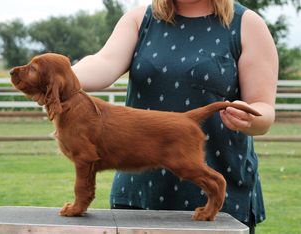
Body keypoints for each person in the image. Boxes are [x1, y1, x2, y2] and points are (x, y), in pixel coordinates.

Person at [72, 0, 278, 233]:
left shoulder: (248, 24)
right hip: (139, 196)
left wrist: (251, 119)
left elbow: (264, 109)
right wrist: (60, 77)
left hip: (220, 203)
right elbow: (104, 62)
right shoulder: (140, 20)